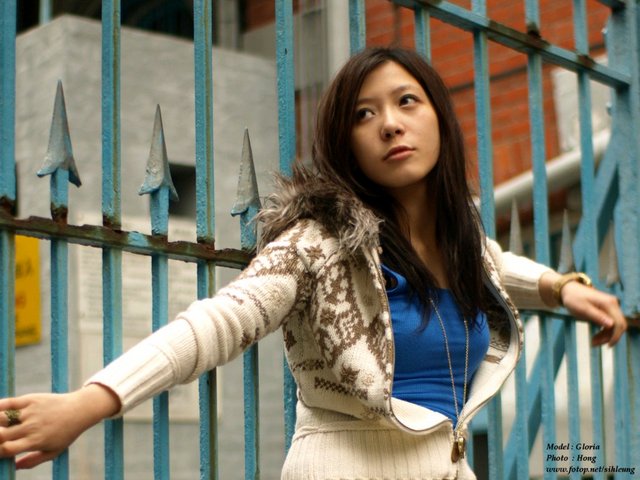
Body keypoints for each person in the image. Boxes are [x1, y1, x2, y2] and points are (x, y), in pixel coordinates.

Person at [0, 47, 627, 479]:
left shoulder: (459, 238)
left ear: (439, 115)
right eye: (364, 114)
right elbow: (218, 322)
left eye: (407, 101)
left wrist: (563, 286)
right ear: (345, 142)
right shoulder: (321, 241)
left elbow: (495, 265)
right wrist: (89, 402)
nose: (390, 125)